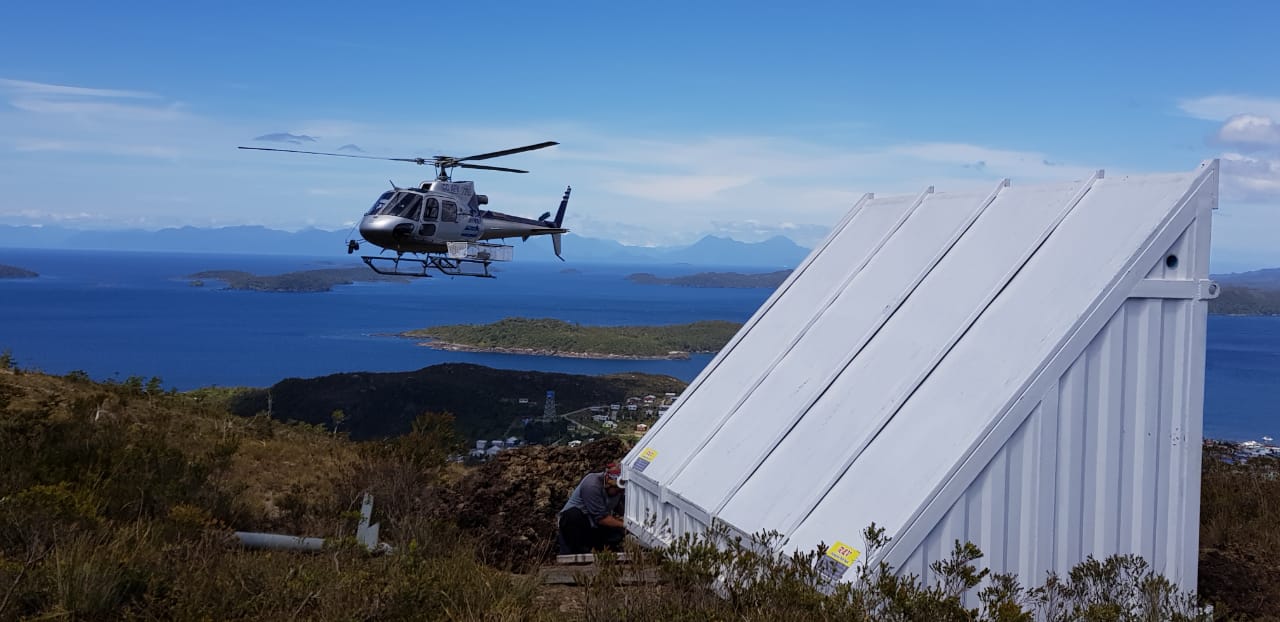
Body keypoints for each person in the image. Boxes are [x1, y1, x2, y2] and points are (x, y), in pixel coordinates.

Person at [557, 462, 627, 554]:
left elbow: (623, 510)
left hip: (594, 526)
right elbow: (602, 518)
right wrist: (627, 525)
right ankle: (578, 551)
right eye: (617, 489)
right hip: (579, 525)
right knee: (572, 516)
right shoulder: (592, 484)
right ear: (607, 481)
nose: (619, 492)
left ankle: (600, 550)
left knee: (618, 533)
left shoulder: (619, 490)